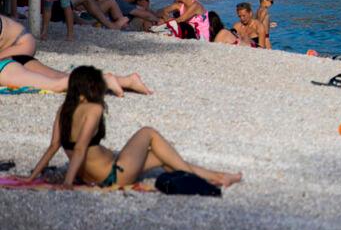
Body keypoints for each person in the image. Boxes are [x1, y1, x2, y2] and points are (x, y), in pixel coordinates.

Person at [26, 66, 241, 189]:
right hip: (111, 175)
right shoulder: (93, 109)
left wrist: (32, 177)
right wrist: (67, 183)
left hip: (92, 176)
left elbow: (53, 146)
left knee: (164, 157)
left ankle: (220, 177)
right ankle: (201, 180)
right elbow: (81, 147)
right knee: (149, 132)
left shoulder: (64, 109)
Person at [0, 17, 149, 95]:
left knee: (57, 84)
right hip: (14, 54)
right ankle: (126, 80)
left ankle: (105, 79)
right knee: (59, 76)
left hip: (6, 65)